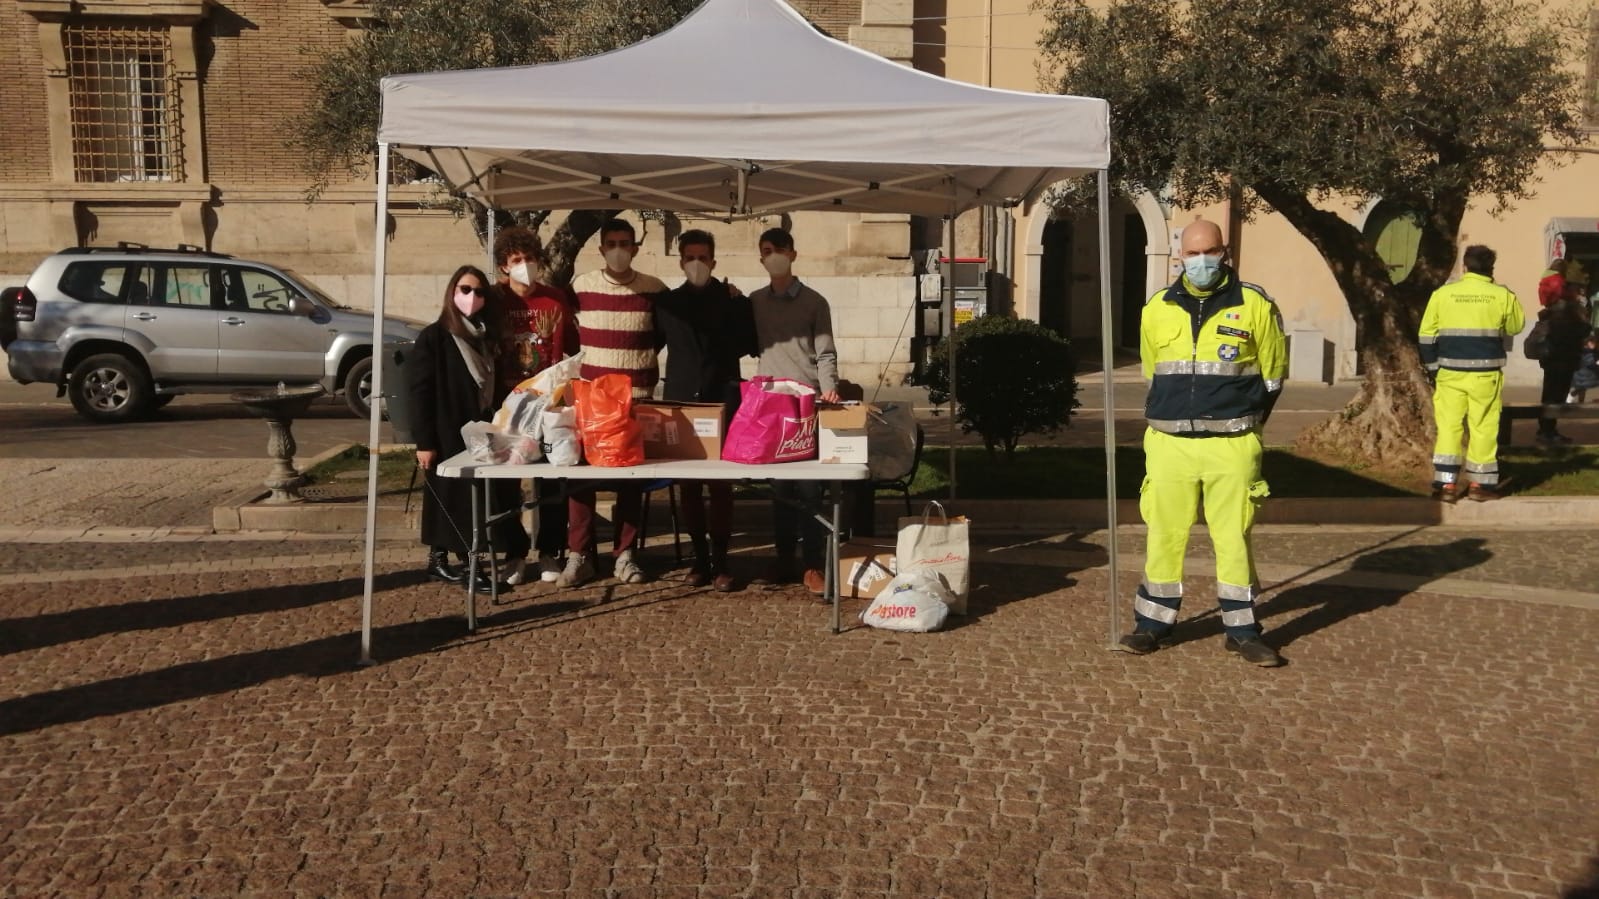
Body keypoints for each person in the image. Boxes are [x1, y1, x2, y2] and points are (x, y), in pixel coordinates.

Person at [1112, 219, 1288, 668]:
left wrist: (1247, 426)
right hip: (1169, 444)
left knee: (1232, 539)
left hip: (1231, 443)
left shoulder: (1255, 304)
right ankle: (1152, 625)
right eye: (1192, 253)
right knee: (1164, 536)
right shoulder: (1157, 307)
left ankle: (1243, 632)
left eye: (1210, 251)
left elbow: (1272, 377)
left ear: (1225, 252)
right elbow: (1153, 371)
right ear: (1179, 257)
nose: (1201, 261)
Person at [557, 218, 668, 587]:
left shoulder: (655, 289)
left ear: (635, 248)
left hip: (637, 401)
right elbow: (568, 333)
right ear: (601, 248)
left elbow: (662, 334)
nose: (619, 250)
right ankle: (580, 555)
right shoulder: (581, 287)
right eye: (612, 243)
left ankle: (625, 555)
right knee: (581, 480)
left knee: (630, 481)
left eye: (625, 243)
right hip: (591, 404)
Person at [408, 265, 531, 591]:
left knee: (469, 501)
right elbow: (419, 393)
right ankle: (456, 564)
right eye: (465, 290)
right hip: (446, 432)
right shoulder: (434, 337)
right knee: (451, 499)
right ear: (452, 292)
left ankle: (453, 561)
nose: (471, 297)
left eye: (478, 291)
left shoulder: (484, 336)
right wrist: (424, 442)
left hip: (480, 431)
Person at [655, 229, 756, 591]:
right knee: (690, 487)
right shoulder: (667, 304)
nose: (696, 263)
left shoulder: (734, 302)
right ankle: (699, 559)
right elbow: (651, 344)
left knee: (721, 486)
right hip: (682, 403)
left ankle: (722, 560)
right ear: (681, 261)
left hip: (721, 401)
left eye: (702, 257)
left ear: (713, 261)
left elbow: (749, 343)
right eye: (690, 257)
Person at [748, 227, 841, 592]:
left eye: (779, 249)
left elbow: (826, 353)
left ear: (793, 254)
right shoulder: (754, 301)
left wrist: (829, 389)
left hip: (806, 407)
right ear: (761, 258)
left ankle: (813, 563)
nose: (773, 256)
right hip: (771, 406)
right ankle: (784, 558)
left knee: (809, 489)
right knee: (780, 489)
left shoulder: (816, 302)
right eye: (766, 250)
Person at [488, 226, 578, 586]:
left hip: (548, 405)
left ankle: (550, 550)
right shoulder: (493, 300)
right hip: (506, 406)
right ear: (504, 266)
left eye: (529, 258)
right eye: (516, 260)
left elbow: (572, 344)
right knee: (506, 482)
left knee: (552, 480)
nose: (524, 265)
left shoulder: (555, 299)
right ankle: (514, 553)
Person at [1419, 244, 1526, 501]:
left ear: (1465, 266)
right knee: (1484, 428)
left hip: (1449, 373)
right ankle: (1480, 486)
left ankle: (1446, 485)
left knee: (1449, 428)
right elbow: (1515, 327)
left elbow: (1426, 335)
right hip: (1485, 374)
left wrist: (1433, 368)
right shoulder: (1502, 295)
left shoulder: (1443, 294)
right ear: (1491, 268)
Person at [1535, 296, 1588, 446]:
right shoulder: (1568, 320)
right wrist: (1581, 316)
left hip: (1552, 362)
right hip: (1563, 363)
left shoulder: (1552, 316)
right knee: (1555, 398)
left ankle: (1546, 430)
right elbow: (1584, 330)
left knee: (1550, 396)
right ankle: (1547, 432)